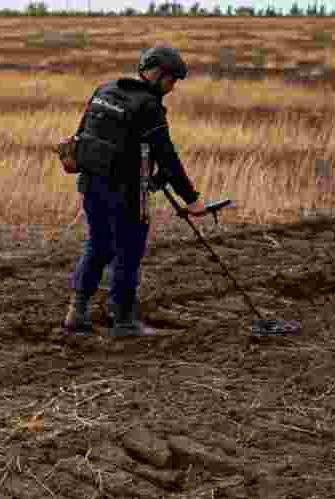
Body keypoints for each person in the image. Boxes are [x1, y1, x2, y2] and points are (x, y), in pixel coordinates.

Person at [62, 46, 208, 338]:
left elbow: (82, 135)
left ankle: (76, 312)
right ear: (157, 74)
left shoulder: (104, 90)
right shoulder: (148, 106)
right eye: (171, 80)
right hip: (127, 193)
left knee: (99, 245)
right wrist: (192, 200)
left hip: (91, 185)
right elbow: (167, 156)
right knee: (128, 252)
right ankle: (124, 320)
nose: (172, 87)